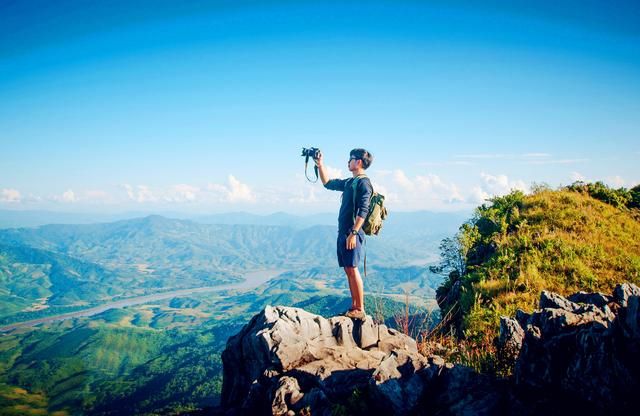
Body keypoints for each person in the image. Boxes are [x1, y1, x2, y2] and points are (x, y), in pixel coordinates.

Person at [315, 148, 373, 319]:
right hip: (344, 232)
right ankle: (354, 305)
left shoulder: (364, 183)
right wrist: (320, 165)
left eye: (351, 159)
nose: (348, 162)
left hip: (352, 233)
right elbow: (327, 183)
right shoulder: (350, 182)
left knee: (353, 269)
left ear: (359, 162)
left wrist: (354, 233)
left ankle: (360, 308)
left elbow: (364, 210)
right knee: (348, 269)